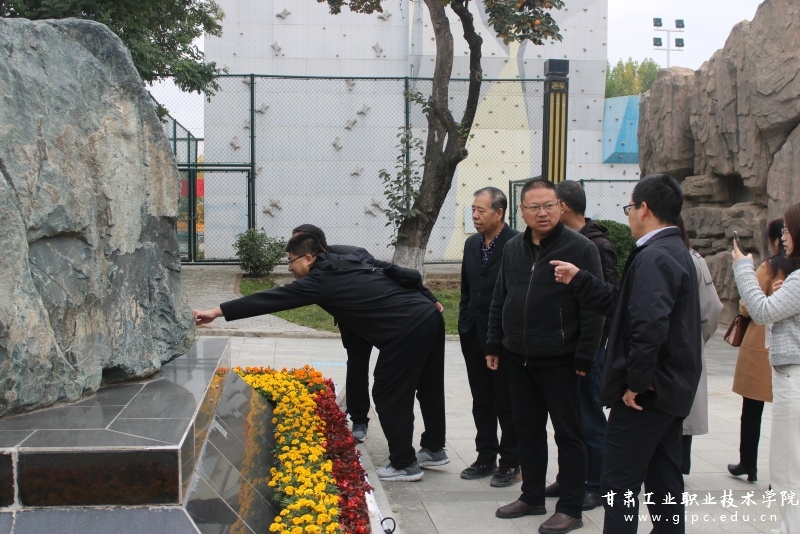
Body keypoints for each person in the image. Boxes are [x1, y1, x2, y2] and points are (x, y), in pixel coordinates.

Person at [193, 232, 448, 482]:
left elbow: (270, 299)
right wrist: (430, 299)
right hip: (428, 316)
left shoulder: (320, 281)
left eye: (290, 261)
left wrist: (217, 311)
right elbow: (397, 271)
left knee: (389, 394)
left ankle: (404, 464)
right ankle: (434, 449)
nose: (289, 268)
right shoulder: (349, 257)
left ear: (308, 258)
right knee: (429, 386)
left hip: (407, 329)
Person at [551, 173, 702, 534]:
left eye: (630, 207)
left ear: (644, 209)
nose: (630, 214)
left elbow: (649, 326)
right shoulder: (672, 249)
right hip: (670, 388)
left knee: (619, 484)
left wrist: (636, 381)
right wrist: (581, 279)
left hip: (646, 394)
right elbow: (627, 308)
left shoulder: (656, 256)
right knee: (664, 479)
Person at [486, 178, 604, 534]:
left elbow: (594, 308)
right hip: (518, 357)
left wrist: (585, 356)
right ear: (521, 211)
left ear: (560, 207)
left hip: (562, 360)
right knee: (528, 430)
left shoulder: (581, 248)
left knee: (569, 435)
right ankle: (532, 496)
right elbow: (501, 297)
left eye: (549, 205)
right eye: (534, 207)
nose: (542, 213)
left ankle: (570, 508)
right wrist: (494, 343)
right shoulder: (513, 248)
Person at [290, 224, 443, 443]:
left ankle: (415, 441)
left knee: (398, 380)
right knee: (357, 367)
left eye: (298, 242)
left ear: (314, 245)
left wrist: (429, 297)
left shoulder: (351, 253)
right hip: (352, 324)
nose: (294, 248)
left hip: (384, 323)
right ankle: (359, 419)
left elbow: (391, 271)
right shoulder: (312, 271)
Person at [549, 180, 620, 510]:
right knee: (568, 419)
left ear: (562, 207)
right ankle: (570, 477)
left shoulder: (598, 245)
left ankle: (597, 484)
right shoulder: (563, 241)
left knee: (589, 418)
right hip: (565, 346)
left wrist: (594, 348)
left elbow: (607, 300)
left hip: (591, 348)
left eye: (550, 205)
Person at [732, 202, 800, 534]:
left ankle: (791, 527)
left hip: (794, 378)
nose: (783, 236)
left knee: (788, 463)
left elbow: (758, 311)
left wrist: (742, 267)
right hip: (791, 375)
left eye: (787, 229)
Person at [458, 187, 520, 487]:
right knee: (481, 399)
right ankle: (485, 457)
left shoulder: (516, 244)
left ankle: (511, 463)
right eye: (473, 209)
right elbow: (467, 290)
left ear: (499, 212)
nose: (474, 215)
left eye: (480, 210)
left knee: (506, 402)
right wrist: (464, 323)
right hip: (474, 335)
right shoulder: (472, 244)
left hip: (504, 340)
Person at [676, 217, 723, 475]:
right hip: (687, 350)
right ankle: (678, 466)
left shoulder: (690, 259)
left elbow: (711, 310)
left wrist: (696, 339)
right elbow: (711, 309)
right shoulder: (693, 258)